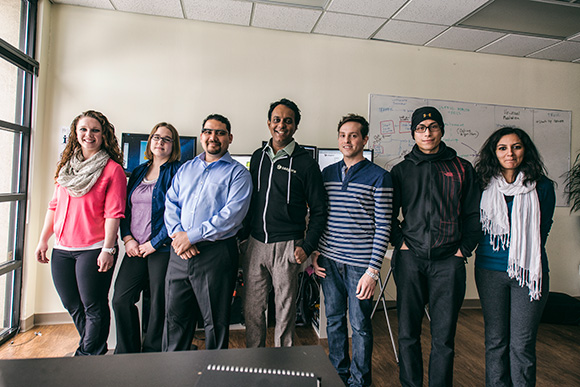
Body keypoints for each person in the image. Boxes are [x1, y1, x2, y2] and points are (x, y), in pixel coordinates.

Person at [390, 106, 481, 386]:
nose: (427, 133)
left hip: (448, 262)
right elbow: (387, 214)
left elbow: (474, 214)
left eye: (432, 127)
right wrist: (400, 243)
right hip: (411, 260)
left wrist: (462, 250)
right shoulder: (401, 170)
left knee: (444, 337)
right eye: (421, 128)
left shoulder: (462, 168)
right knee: (407, 333)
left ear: (441, 129)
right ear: (413, 133)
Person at [35, 110, 127, 356]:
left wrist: (108, 248)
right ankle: (92, 349)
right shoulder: (66, 168)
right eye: (83, 129)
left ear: (104, 134)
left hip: (94, 248)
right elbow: (54, 206)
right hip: (62, 249)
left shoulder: (112, 170)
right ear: (76, 134)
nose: (89, 134)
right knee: (73, 305)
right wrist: (44, 239)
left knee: (94, 306)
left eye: (95, 130)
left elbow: (114, 213)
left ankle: (87, 356)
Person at [312, 114, 393, 387]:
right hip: (328, 261)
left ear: (365, 139)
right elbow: (319, 217)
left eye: (354, 135)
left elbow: (384, 226)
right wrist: (315, 253)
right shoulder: (327, 174)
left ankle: (360, 381)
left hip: (360, 266)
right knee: (333, 321)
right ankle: (338, 375)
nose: (347, 140)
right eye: (343, 135)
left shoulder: (380, 177)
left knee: (359, 326)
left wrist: (373, 271)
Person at [242, 98, 327, 348]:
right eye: (277, 120)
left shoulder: (307, 164)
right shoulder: (258, 157)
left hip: (288, 246)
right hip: (256, 244)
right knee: (253, 311)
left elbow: (320, 211)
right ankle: (253, 361)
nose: (282, 125)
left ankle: (283, 364)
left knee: (285, 313)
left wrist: (308, 245)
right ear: (269, 123)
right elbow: (251, 201)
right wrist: (244, 238)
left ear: (295, 127)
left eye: (288, 121)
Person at [163, 114, 252, 351]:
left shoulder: (239, 174)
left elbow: (231, 216)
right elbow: (171, 203)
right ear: (202, 136)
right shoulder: (186, 168)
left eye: (220, 133)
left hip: (216, 254)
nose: (213, 137)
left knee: (215, 322)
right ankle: (173, 372)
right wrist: (179, 235)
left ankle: (214, 374)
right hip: (179, 252)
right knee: (175, 319)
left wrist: (190, 236)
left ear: (229, 138)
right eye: (209, 132)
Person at [474, 127, 555, 386]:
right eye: (503, 148)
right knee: (495, 341)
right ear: (494, 153)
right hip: (489, 271)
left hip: (528, 273)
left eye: (516, 147)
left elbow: (543, 229)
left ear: (525, 150)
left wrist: (521, 255)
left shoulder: (542, 187)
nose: (510, 153)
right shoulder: (481, 185)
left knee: (522, 344)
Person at [112, 122, 182, 353]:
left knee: (158, 304)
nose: (160, 142)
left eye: (166, 139)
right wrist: (128, 238)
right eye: (156, 137)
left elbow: (177, 213)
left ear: (174, 145)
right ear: (150, 141)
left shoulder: (178, 172)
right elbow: (125, 208)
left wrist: (155, 242)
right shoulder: (139, 171)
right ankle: (128, 352)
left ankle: (153, 353)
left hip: (160, 248)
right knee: (121, 299)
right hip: (135, 248)